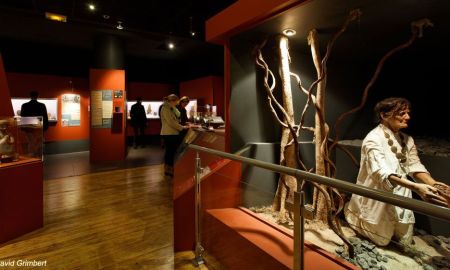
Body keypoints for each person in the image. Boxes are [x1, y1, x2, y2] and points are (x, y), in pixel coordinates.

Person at [344, 97, 447, 247]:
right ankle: (351, 212)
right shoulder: (373, 139)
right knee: (382, 239)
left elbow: (414, 165)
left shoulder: (407, 140)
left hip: (403, 193)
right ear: (384, 115)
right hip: (378, 195)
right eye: (402, 113)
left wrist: (435, 185)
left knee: (405, 241)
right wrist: (417, 188)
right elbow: (381, 172)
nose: (408, 117)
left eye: (408, 113)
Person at [160, 94, 188, 178]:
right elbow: (171, 122)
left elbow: (173, 121)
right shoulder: (166, 108)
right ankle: (169, 169)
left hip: (171, 133)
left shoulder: (170, 108)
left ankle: (168, 169)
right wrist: (182, 127)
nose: (177, 104)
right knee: (170, 152)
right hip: (169, 133)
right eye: (176, 102)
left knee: (170, 152)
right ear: (172, 101)